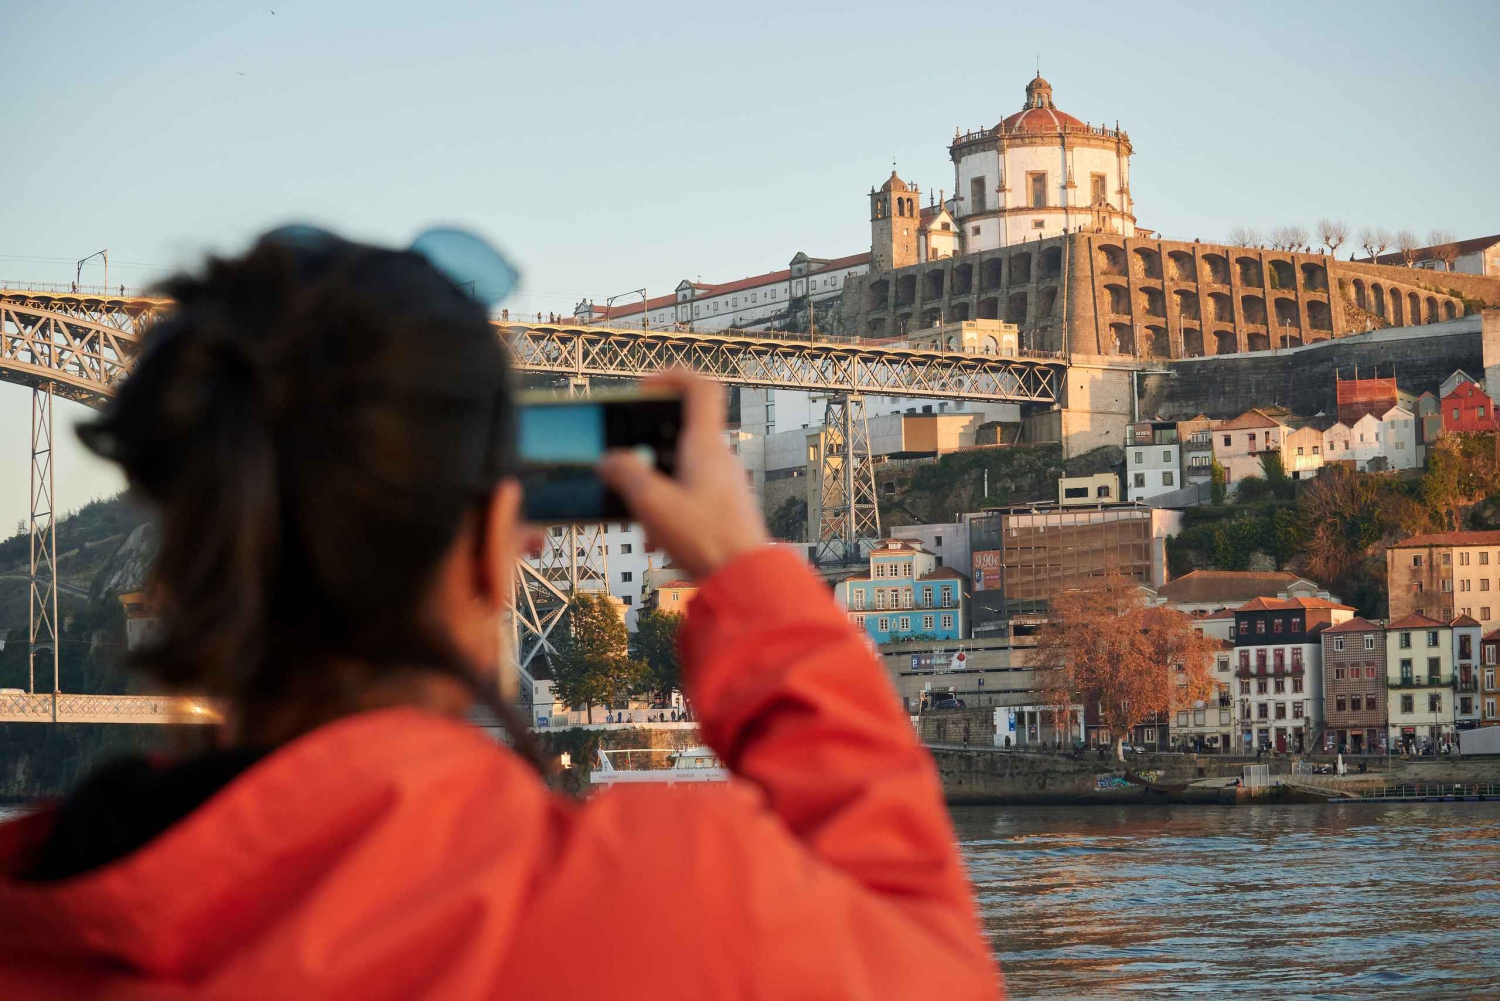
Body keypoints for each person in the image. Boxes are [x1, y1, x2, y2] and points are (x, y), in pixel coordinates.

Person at [0, 229, 998, 1000]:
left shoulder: (36, 921)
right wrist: (746, 570)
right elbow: (932, 958)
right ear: (495, 541)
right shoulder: (670, 905)